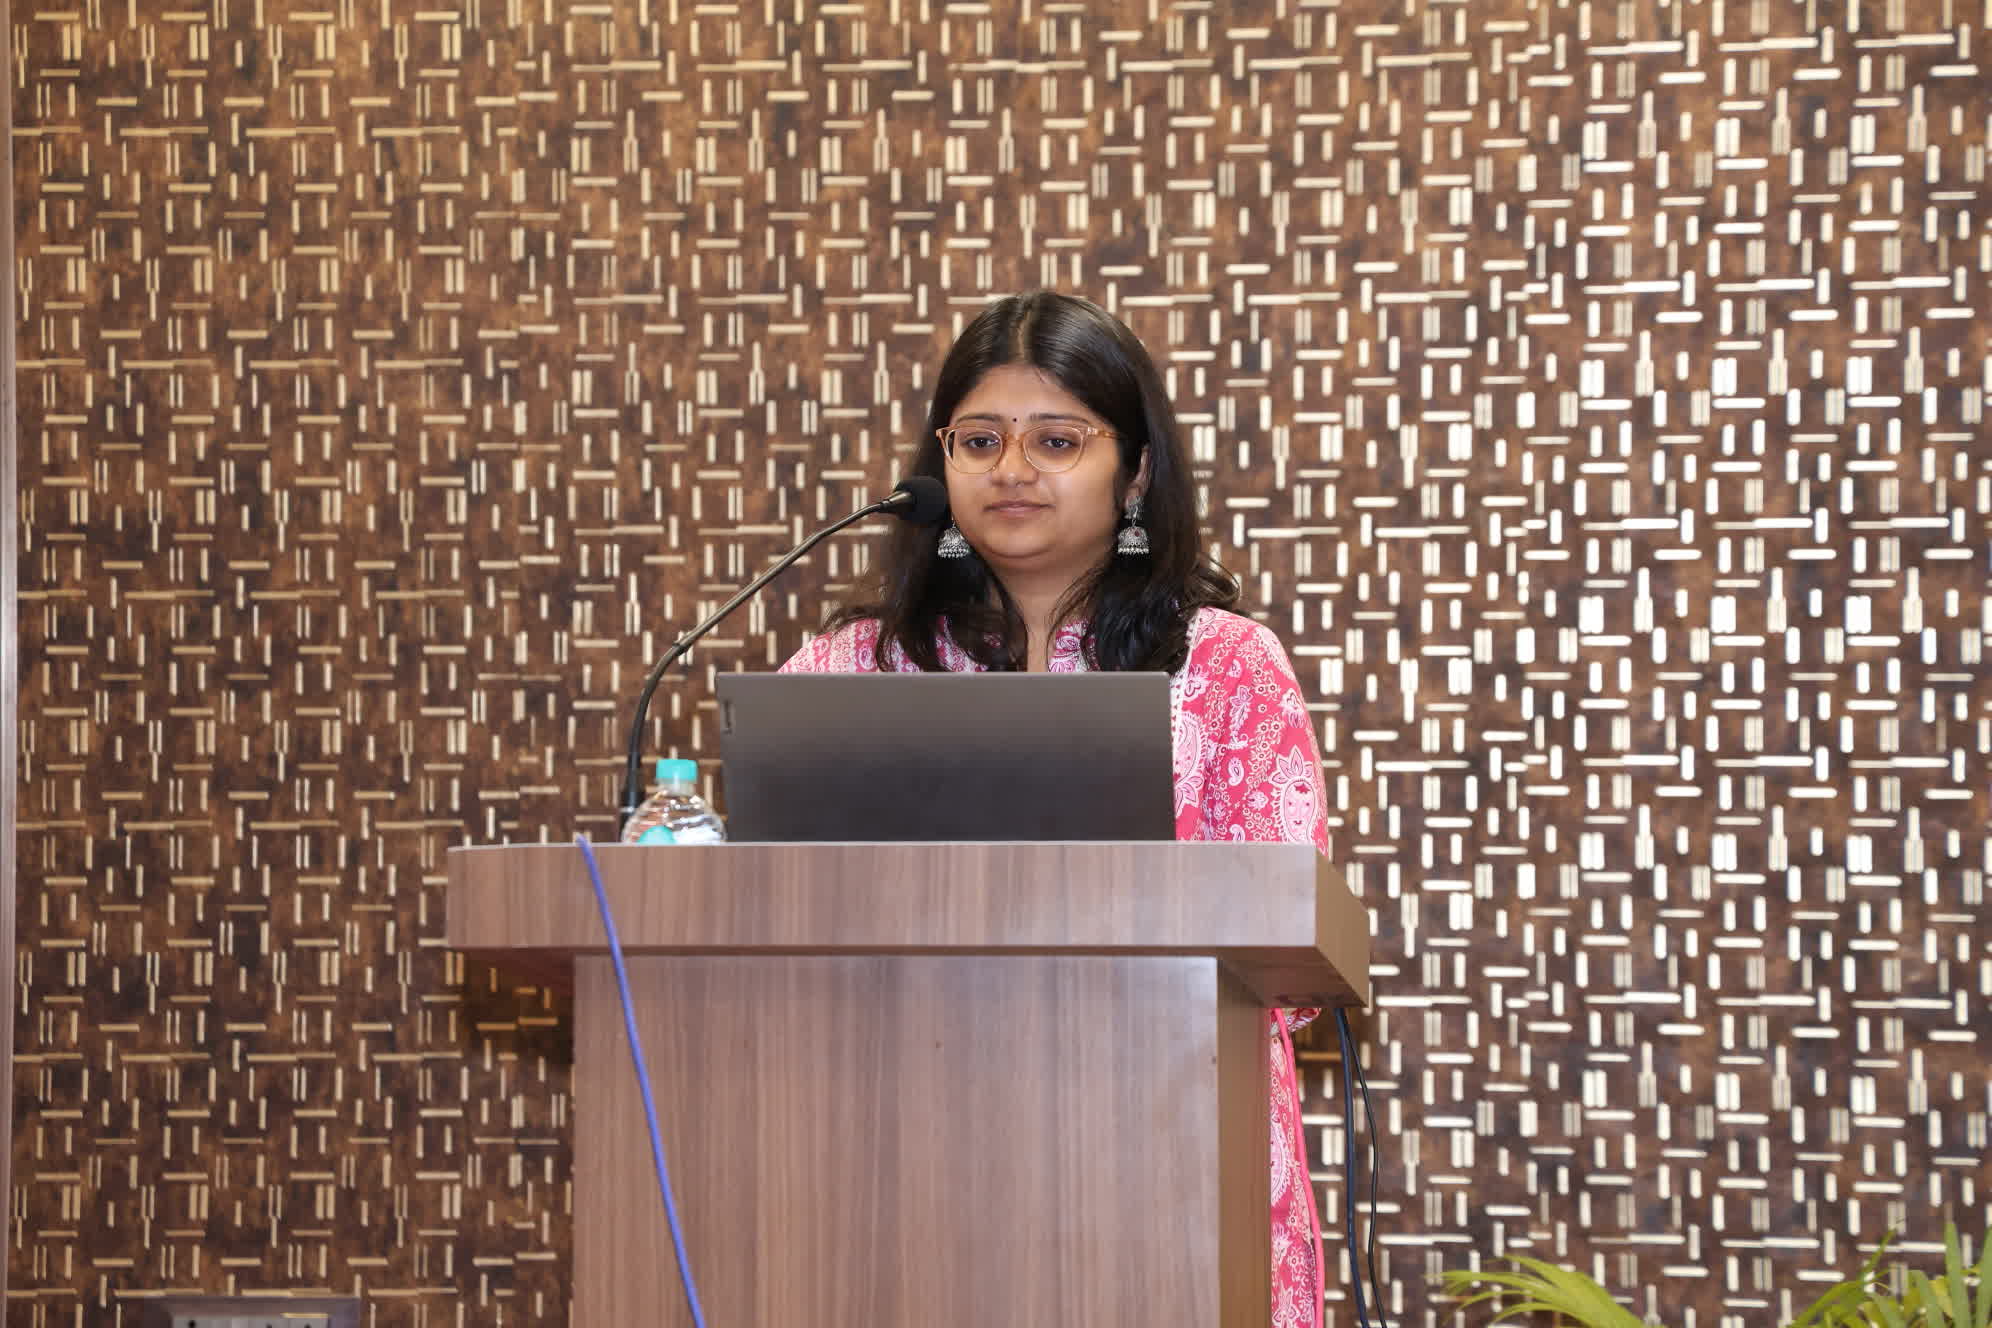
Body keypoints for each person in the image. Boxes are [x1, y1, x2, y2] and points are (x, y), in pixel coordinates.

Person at [780, 290, 1331, 1328]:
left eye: (1057, 439)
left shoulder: (1225, 669)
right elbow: (760, 916)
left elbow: (1290, 964)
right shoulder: (849, 672)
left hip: (1172, 1145)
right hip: (893, 1157)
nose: (1012, 468)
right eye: (979, 439)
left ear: (1137, 472)